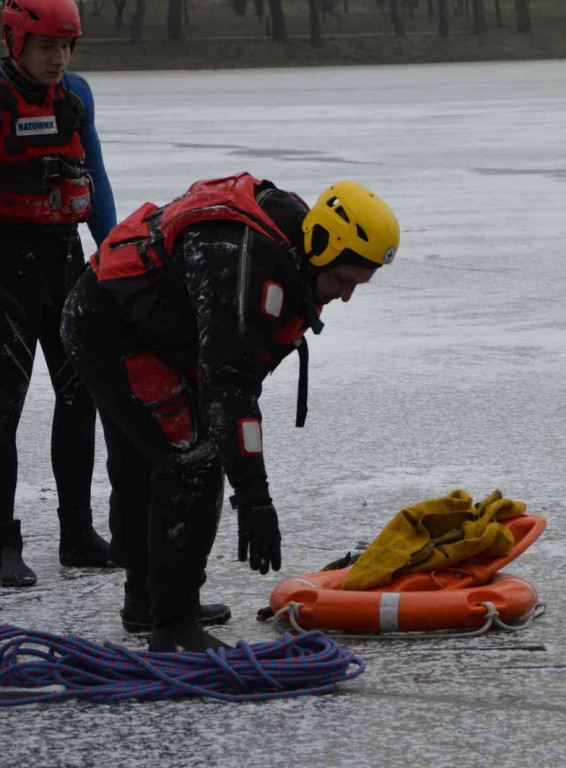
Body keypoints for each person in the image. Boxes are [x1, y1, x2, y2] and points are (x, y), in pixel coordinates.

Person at [61, 172, 399, 652]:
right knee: (192, 459)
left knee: (158, 457)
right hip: (110, 331)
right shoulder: (241, 262)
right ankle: (172, 625)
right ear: (322, 247)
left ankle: (148, 601)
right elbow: (230, 392)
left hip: (142, 326)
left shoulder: (294, 249)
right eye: (345, 280)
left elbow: (230, 378)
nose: (347, 296)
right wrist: (255, 497)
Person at [0, 0, 117, 586]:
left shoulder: (76, 96)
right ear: (13, 40)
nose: (59, 58)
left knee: (81, 397)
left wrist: (115, 256)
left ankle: (78, 533)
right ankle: (2, 543)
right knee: (3, 409)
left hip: (66, 261)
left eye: (67, 46)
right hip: (6, 270)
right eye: (47, 46)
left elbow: (94, 176)